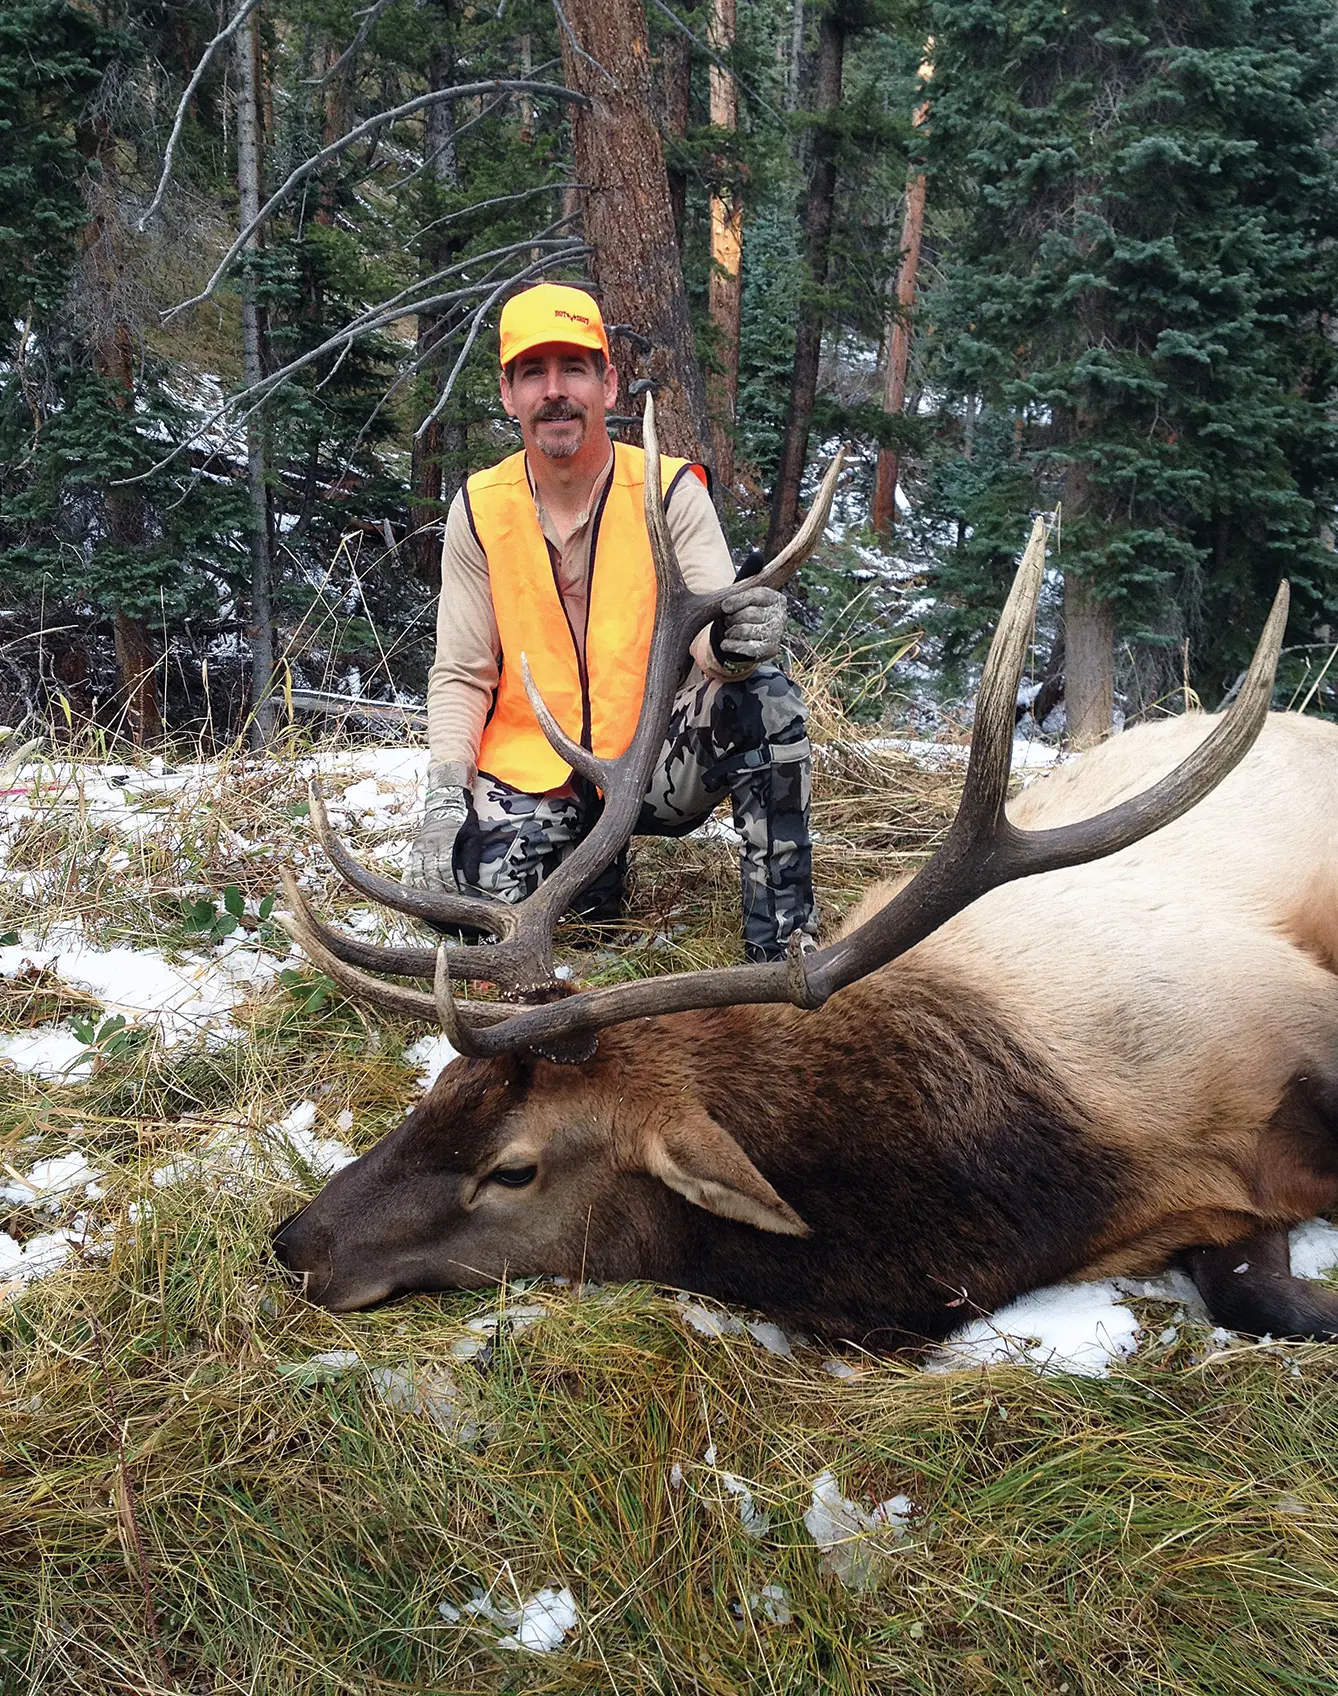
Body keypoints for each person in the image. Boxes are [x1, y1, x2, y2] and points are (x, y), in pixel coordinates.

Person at [407, 281, 816, 963]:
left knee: (765, 698)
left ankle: (782, 952)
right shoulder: (480, 509)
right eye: (532, 373)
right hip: (537, 771)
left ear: (609, 385)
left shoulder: (669, 490)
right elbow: (462, 672)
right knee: (459, 908)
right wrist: (446, 796)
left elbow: (713, 636)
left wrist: (737, 641)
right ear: (509, 396)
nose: (553, 390)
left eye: (574, 368)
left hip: (657, 760)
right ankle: (595, 874)